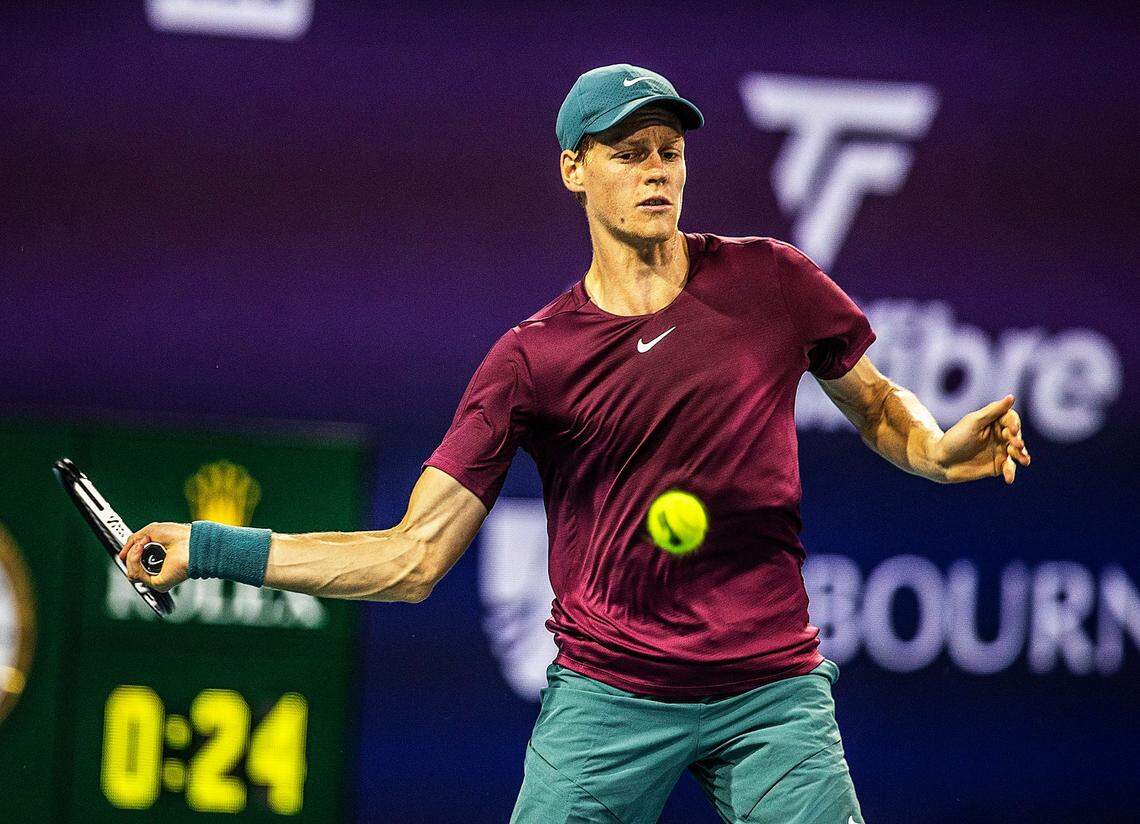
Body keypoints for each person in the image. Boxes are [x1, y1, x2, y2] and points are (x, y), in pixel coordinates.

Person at [122, 63, 1032, 823]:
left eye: (670, 153)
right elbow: (409, 558)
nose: (657, 173)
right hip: (608, 696)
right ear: (573, 170)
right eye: (629, 154)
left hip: (770, 692)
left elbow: (873, 403)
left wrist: (937, 450)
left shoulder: (774, 281)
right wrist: (209, 546)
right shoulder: (532, 359)